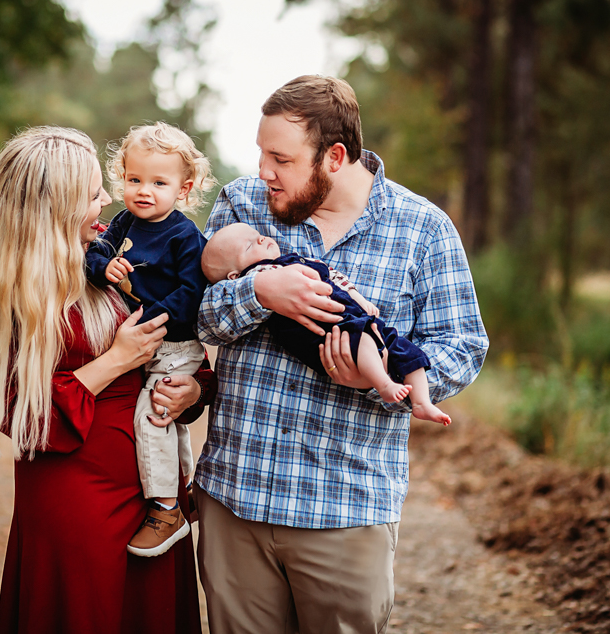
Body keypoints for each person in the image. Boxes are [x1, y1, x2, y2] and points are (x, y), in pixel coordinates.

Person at [195, 75, 489, 633]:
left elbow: (464, 346)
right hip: (235, 498)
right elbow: (198, 317)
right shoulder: (241, 205)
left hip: (345, 510)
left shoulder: (424, 229)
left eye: (280, 158)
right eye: (261, 152)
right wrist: (257, 292)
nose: (263, 171)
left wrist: (378, 383)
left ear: (334, 156)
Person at [0, 126, 211, 634]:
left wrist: (195, 390)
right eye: (93, 193)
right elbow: (24, 416)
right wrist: (115, 360)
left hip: (153, 498)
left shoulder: (110, 262)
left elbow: (177, 349)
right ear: (55, 205)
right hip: (77, 498)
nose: (110, 198)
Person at [85, 122, 214, 557]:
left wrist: (146, 318)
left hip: (174, 343)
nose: (144, 191)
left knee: (153, 415)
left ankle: (165, 508)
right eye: (134, 179)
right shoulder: (123, 222)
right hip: (147, 339)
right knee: (169, 420)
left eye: (159, 182)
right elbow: (97, 251)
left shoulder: (184, 236)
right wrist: (103, 269)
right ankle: (183, 489)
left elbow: (191, 294)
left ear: (184, 188)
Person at [201, 222, 451, 426]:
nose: (261, 240)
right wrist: (260, 289)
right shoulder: (258, 273)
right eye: (249, 246)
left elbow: (333, 276)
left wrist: (359, 298)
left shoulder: (294, 259)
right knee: (362, 338)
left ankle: (421, 402)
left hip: (357, 316)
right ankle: (383, 382)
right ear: (234, 275)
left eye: (258, 236)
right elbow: (204, 314)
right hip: (329, 331)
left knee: (408, 351)